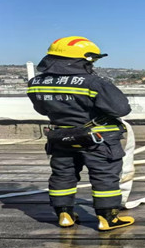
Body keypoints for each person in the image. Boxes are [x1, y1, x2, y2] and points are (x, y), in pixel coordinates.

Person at [27, 36, 135, 230]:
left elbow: (42, 110)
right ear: (82, 59)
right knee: (104, 176)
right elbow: (121, 109)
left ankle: (64, 215)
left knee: (62, 175)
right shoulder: (93, 82)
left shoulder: (36, 82)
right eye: (90, 61)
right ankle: (107, 218)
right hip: (98, 140)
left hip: (61, 138)